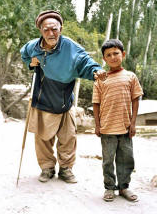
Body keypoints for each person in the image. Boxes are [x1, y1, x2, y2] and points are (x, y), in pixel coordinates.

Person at [20, 10, 105, 184]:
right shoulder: (33, 46)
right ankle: (47, 168)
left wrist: (96, 71)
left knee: (68, 137)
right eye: (46, 30)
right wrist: (31, 62)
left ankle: (65, 169)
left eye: (55, 29)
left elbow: (85, 62)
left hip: (64, 99)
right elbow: (25, 54)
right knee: (42, 138)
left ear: (61, 28)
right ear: (41, 31)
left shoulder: (71, 47)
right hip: (42, 98)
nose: (51, 33)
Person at [92, 39, 143, 202]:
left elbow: (136, 99)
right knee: (108, 161)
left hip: (125, 127)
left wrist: (133, 123)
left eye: (116, 53)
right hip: (107, 128)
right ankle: (109, 188)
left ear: (123, 54)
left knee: (126, 159)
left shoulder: (130, 77)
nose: (113, 57)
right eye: (108, 55)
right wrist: (98, 125)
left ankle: (124, 187)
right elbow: (96, 103)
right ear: (104, 59)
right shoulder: (100, 79)